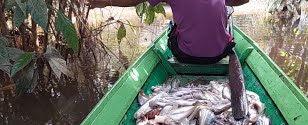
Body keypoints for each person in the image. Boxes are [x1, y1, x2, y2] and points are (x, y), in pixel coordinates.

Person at [87, 0, 249, 64]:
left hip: (187, 55)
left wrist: (106, 2)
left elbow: (133, 0)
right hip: (219, 54)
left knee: (172, 24)